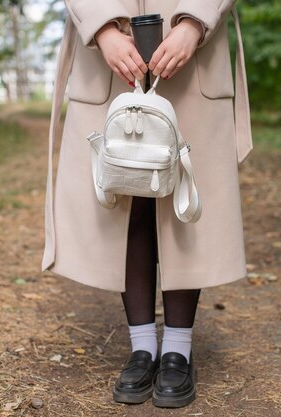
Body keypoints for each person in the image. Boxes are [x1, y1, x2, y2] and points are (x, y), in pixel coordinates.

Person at [41, 0, 253, 409]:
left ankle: (178, 349)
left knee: (186, 199)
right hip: (106, 54)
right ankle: (142, 348)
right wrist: (103, 30)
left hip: (194, 51)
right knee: (125, 196)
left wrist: (194, 23)